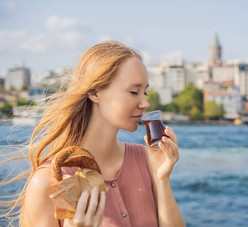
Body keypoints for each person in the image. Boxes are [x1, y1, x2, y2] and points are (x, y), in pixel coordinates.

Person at [1, 41, 185, 226]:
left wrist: (162, 178)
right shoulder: (47, 182)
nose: (145, 104)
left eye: (145, 92)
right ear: (95, 93)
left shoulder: (147, 160)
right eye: (133, 91)